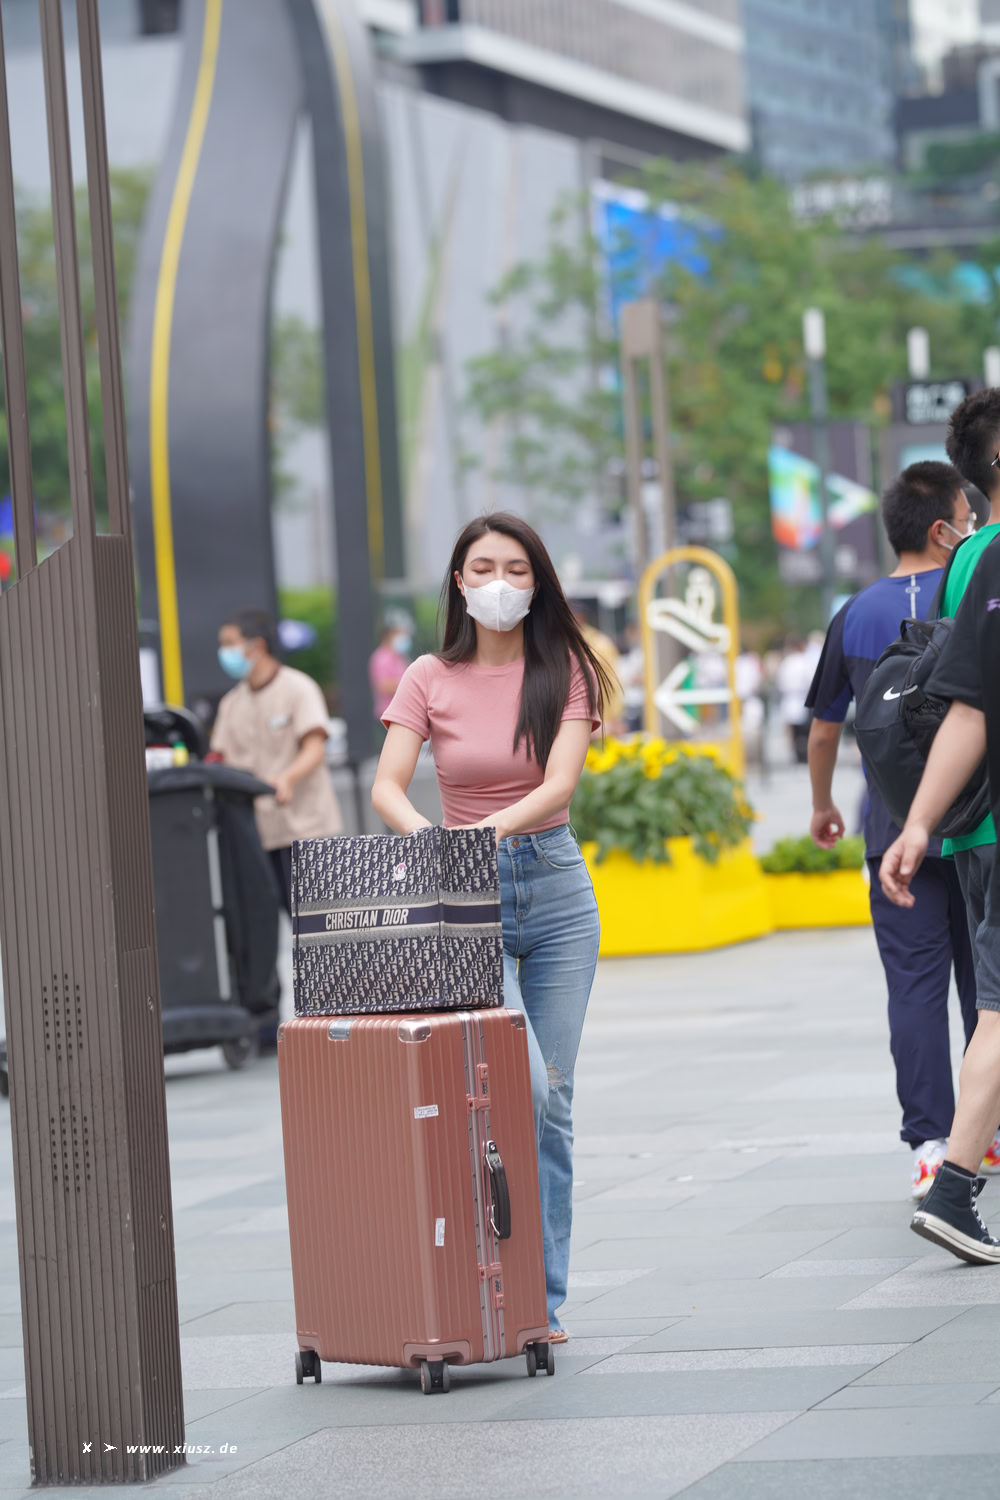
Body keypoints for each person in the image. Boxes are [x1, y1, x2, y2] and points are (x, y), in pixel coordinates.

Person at [372, 513, 613, 1343]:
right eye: (483, 567)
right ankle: (481, 1277)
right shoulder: (428, 677)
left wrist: (485, 834)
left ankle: (541, 1305)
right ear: (459, 582)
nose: (499, 582)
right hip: (465, 902)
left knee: (554, 1100)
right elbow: (388, 787)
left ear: (536, 583)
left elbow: (559, 785)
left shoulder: (565, 670)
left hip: (555, 890)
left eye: (516, 568)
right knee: (522, 1088)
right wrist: (436, 844)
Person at [805, 461, 977, 1198]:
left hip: (890, 832)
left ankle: (930, 1145)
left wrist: (822, 805)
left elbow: (824, 729)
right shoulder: (972, 586)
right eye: (968, 517)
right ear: (943, 528)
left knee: (913, 987)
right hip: (975, 822)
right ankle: (986, 1133)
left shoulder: (854, 613)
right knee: (985, 984)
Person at [880, 392, 1000, 1261]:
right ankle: (955, 1184)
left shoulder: (974, 560)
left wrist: (922, 823)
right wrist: (917, 824)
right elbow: (967, 705)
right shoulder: (987, 558)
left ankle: (955, 1185)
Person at [211, 609, 342, 915]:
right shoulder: (231, 703)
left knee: (317, 922)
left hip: (306, 830)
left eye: (229, 643)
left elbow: (314, 748)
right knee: (271, 920)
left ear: (257, 646)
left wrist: (287, 778)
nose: (223, 652)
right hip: (259, 834)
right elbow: (219, 757)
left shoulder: (299, 688)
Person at [369, 623, 411, 723]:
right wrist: (409, 684)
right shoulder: (381, 657)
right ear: (389, 635)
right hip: (387, 716)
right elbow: (383, 686)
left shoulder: (400, 657)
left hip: (402, 715)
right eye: (399, 633)